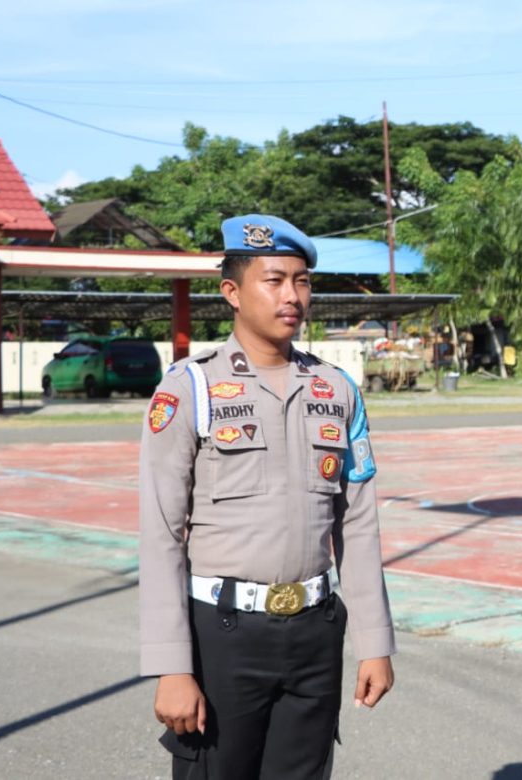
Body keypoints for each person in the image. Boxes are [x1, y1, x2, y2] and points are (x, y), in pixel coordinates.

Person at [139, 214, 395, 779]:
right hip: (224, 634)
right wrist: (171, 667)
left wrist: (375, 640)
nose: (293, 296)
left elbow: (357, 523)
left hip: (314, 630)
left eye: (302, 281)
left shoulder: (336, 389)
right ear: (232, 291)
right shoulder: (191, 388)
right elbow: (161, 533)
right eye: (274, 280)